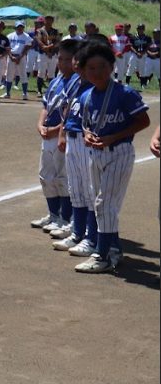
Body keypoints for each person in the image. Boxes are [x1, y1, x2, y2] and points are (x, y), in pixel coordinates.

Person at [73, 41, 151, 274]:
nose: (97, 72)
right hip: (95, 154)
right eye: (91, 68)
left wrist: (114, 137)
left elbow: (143, 121)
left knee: (104, 204)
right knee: (101, 204)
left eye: (102, 67)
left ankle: (102, 255)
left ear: (112, 67)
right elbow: (85, 124)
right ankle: (113, 248)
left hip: (119, 152)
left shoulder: (124, 93)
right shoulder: (87, 96)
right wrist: (87, 134)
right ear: (84, 70)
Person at [54, 41, 95, 254]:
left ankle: (91, 236)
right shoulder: (74, 82)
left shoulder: (94, 85)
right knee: (76, 189)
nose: (74, 63)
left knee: (89, 191)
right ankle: (78, 232)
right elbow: (68, 108)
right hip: (72, 137)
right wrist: (62, 133)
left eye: (78, 60)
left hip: (85, 139)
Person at [32, 40, 75, 236]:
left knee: (62, 178)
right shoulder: (56, 81)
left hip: (61, 136)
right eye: (60, 59)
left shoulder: (76, 83)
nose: (63, 63)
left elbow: (71, 115)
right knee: (46, 176)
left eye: (68, 60)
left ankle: (65, 218)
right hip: (48, 135)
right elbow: (45, 107)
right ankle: (53, 214)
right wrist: (40, 124)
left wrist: (57, 130)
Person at [5, 20, 33, 99]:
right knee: (9, 75)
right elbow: (7, 47)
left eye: (21, 27)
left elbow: (27, 47)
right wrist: (11, 56)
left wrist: (19, 57)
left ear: (23, 27)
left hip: (22, 57)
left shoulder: (26, 36)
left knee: (23, 75)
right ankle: (7, 93)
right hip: (11, 56)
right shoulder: (10, 36)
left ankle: (24, 94)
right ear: (15, 27)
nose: (20, 28)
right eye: (18, 27)